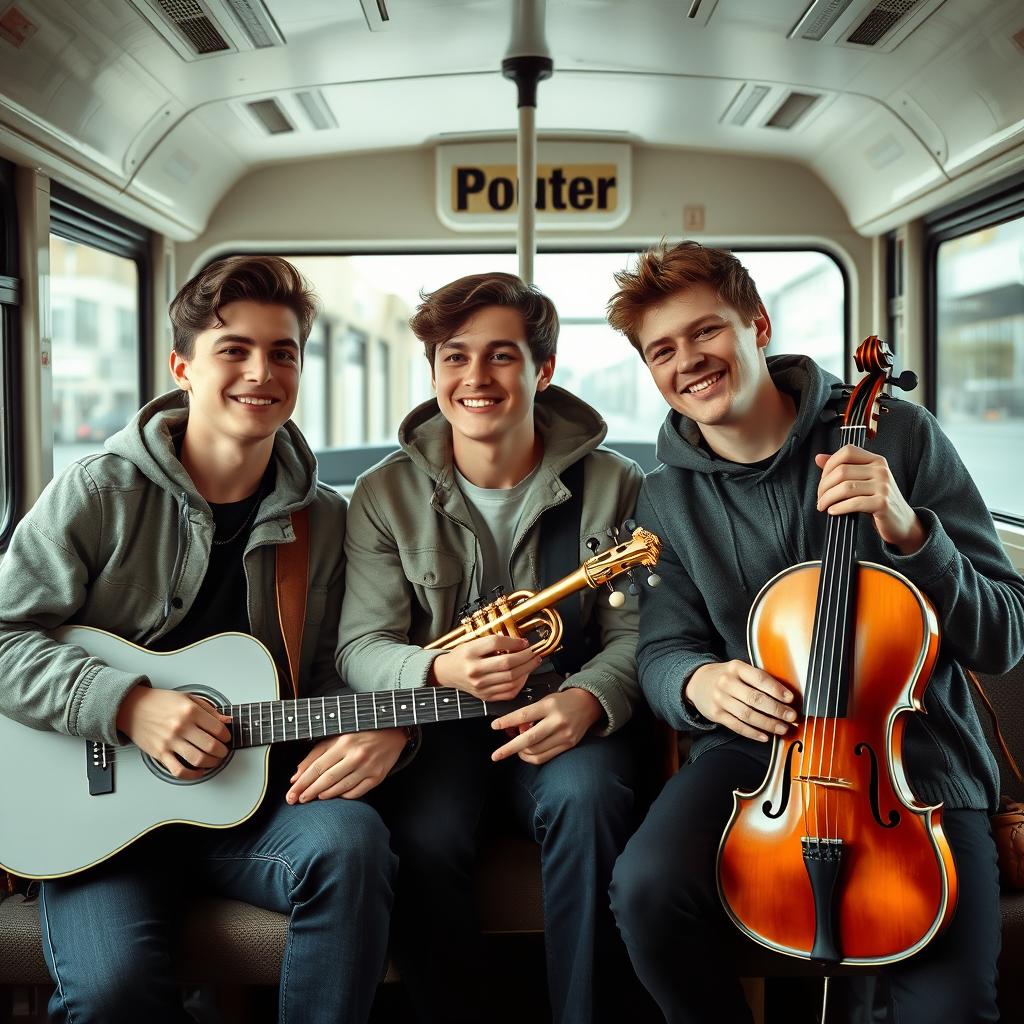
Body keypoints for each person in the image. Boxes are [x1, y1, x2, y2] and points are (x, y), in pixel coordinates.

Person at [604, 241, 1024, 1024]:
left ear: (757, 325)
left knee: (952, 1009)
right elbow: (663, 649)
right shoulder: (663, 497)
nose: (688, 361)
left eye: (707, 332)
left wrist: (908, 531)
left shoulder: (898, 434)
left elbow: (1004, 634)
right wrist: (697, 682)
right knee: (645, 890)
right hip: (762, 757)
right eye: (663, 350)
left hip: (912, 757)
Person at [0, 255, 403, 1024]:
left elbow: (336, 665)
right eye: (235, 350)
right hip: (94, 816)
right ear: (183, 366)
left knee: (353, 842)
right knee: (112, 992)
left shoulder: (326, 520)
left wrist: (388, 722)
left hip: (252, 806)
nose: (262, 371)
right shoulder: (96, 492)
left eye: (283, 351)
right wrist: (127, 705)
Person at [336, 272, 649, 1024]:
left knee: (591, 797)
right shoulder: (383, 493)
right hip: (437, 724)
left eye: (501, 356)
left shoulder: (617, 484)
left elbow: (639, 635)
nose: (475, 378)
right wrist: (436, 667)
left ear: (542, 370)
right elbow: (359, 645)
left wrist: (588, 699)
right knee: (419, 834)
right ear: (435, 370)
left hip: (564, 718)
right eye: (453, 356)